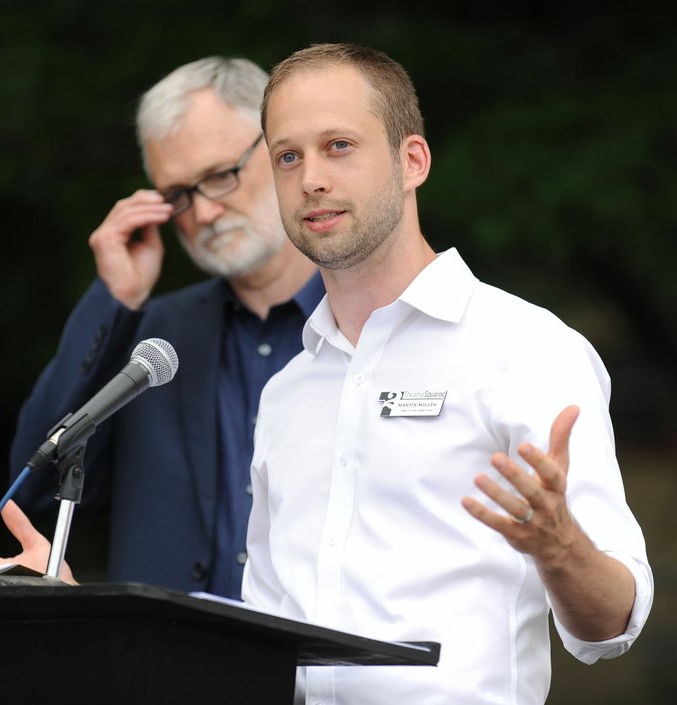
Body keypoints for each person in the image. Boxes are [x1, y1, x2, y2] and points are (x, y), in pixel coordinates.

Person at [237, 43, 653, 704]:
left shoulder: (526, 346)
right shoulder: (288, 389)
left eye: (338, 145)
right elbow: (256, 633)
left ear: (413, 161)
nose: (310, 177)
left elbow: (611, 624)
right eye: (288, 156)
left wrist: (559, 545)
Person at [0, 57, 323, 599]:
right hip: (170, 669)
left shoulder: (372, 319)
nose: (204, 214)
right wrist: (116, 298)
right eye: (178, 195)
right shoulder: (153, 339)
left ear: (282, 151)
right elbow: (36, 492)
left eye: (219, 175)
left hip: (332, 673)